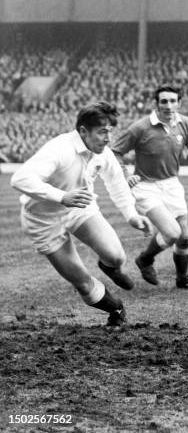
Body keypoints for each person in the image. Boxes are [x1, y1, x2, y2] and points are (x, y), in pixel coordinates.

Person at [10, 102, 153, 327]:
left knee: (116, 257)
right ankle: (115, 307)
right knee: (84, 285)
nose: (108, 139)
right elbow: (20, 178)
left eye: (110, 132)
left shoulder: (102, 153)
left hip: (79, 208)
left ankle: (108, 267)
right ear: (83, 132)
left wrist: (131, 215)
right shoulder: (60, 149)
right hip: (43, 220)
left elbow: (116, 183)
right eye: (102, 132)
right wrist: (61, 196)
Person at [111, 85, 188, 290]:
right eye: (164, 101)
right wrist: (126, 175)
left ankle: (182, 280)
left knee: (184, 238)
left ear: (179, 103)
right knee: (172, 233)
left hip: (172, 185)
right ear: (156, 104)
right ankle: (145, 260)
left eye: (173, 101)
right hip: (146, 187)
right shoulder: (141, 127)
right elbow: (115, 152)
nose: (169, 105)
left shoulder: (185, 123)